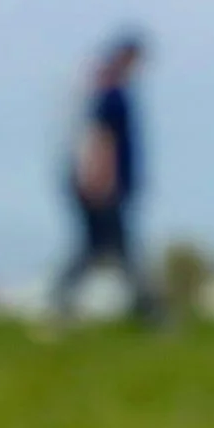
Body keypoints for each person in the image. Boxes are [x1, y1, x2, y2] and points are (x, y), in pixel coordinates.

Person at [50, 31, 163, 328]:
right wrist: (102, 181)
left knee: (98, 248)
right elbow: (102, 140)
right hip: (104, 185)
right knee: (119, 250)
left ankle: (61, 303)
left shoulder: (106, 91)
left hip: (102, 183)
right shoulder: (111, 94)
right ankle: (152, 312)